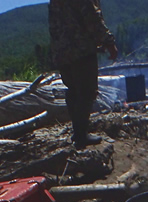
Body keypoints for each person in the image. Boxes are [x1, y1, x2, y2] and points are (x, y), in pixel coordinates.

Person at [49, 0, 118, 149]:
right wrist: (108, 41)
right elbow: (92, 17)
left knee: (73, 90)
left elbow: (53, 25)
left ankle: (78, 133)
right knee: (86, 92)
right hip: (81, 49)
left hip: (62, 51)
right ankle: (81, 136)